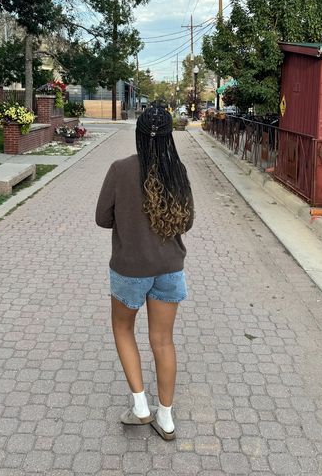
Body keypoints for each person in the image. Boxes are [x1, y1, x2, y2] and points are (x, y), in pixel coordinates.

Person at [95, 103, 194, 440]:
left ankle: (140, 407)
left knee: (123, 330)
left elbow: (102, 218)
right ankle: (165, 418)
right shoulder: (177, 171)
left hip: (129, 267)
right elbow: (188, 222)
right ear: (170, 137)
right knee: (163, 342)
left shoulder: (120, 169)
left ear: (139, 136)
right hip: (169, 268)